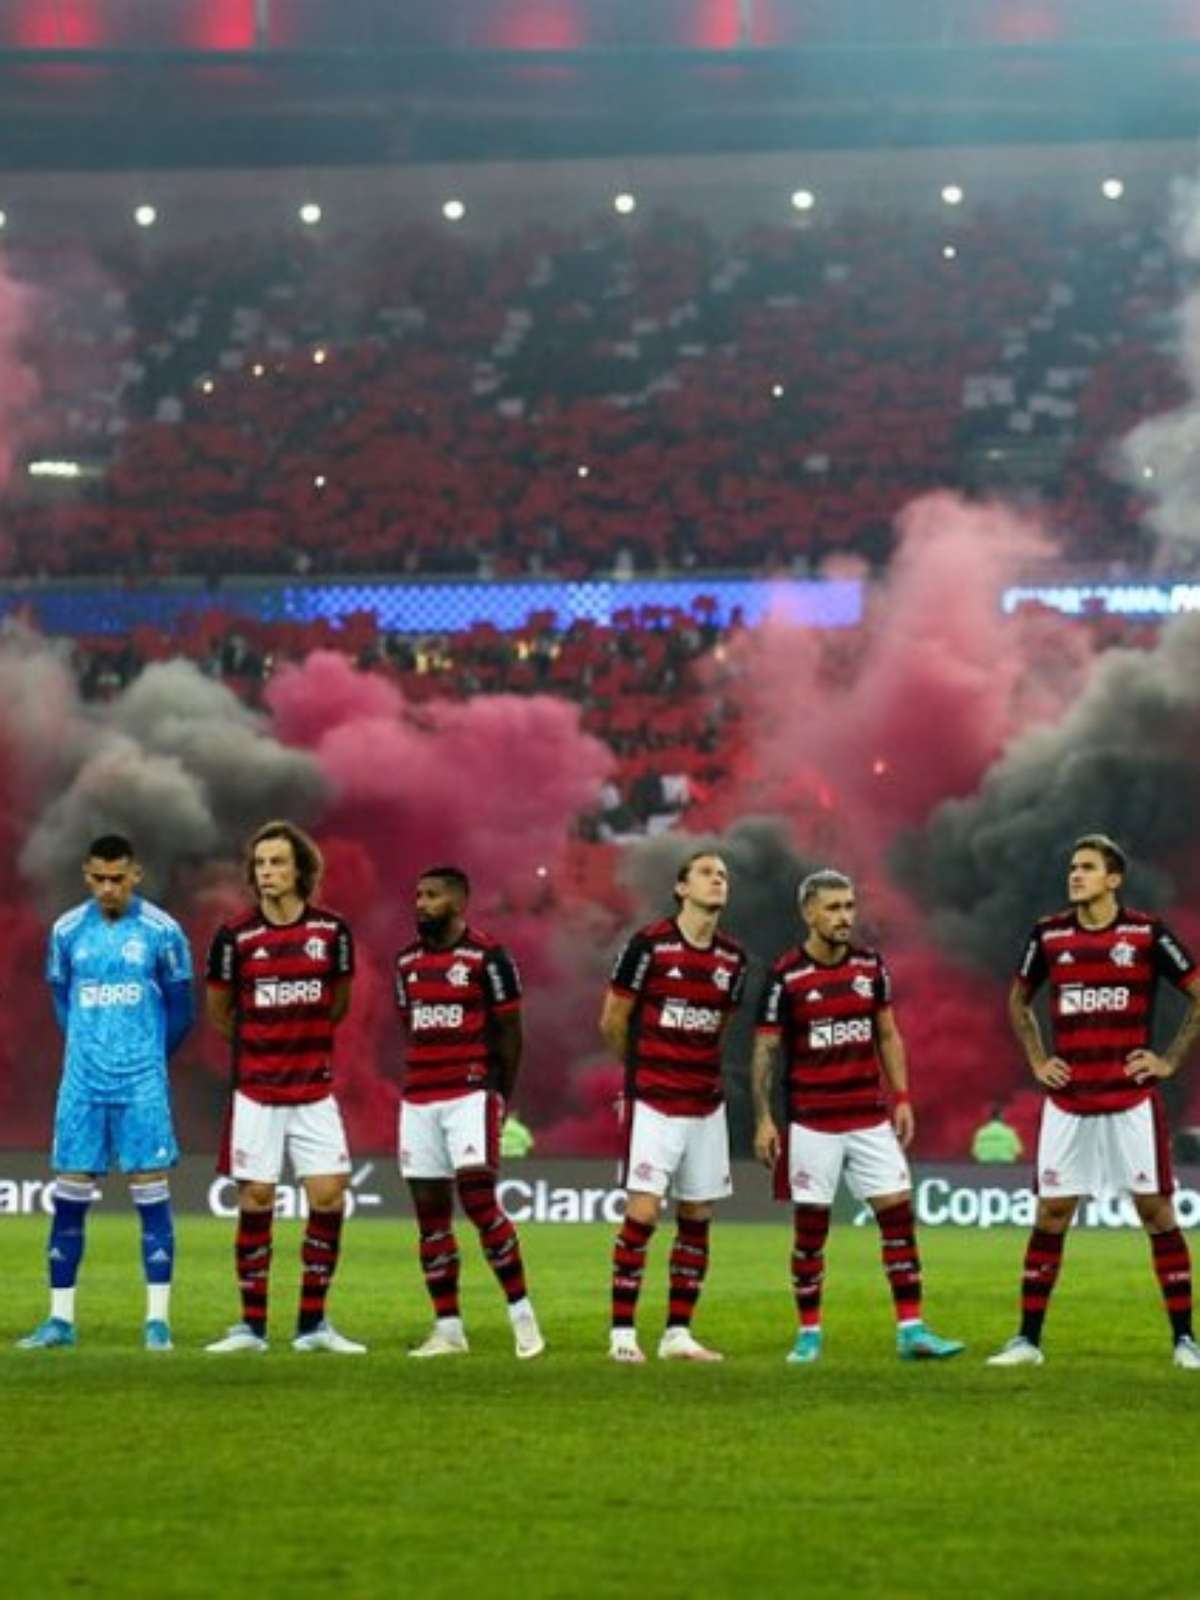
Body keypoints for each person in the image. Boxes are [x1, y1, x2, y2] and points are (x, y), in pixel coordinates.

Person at [988, 833, 1200, 1370]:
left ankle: (1184, 1341)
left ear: (1114, 878)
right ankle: (1027, 1342)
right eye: (1073, 867)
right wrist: (1038, 1060)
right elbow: (1018, 999)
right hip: (1069, 1100)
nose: (1075, 875)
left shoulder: (1147, 935)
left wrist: (1169, 1060)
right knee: (1052, 1212)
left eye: (1087, 867)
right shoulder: (1050, 935)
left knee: (1155, 1211)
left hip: (1131, 1099)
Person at [751, 869, 964, 1365]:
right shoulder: (786, 976)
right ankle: (808, 1335)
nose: (845, 917)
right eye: (833, 908)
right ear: (808, 913)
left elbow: (887, 1035)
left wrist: (903, 1096)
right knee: (811, 1228)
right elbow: (765, 1049)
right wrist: (764, 1119)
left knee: (897, 1216)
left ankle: (912, 1331)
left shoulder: (871, 967)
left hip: (869, 1118)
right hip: (812, 1122)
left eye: (849, 906)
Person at [18, 834, 194, 1351]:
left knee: (150, 1192)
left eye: (118, 878)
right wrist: (85, 1047)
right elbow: (60, 996)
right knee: (70, 1196)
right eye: (99, 878)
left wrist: (151, 1057)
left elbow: (182, 1008)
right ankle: (59, 1321)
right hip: (82, 1084)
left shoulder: (162, 931)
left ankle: (157, 1322)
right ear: (86, 875)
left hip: (141, 1082)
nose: (108, 888)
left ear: (136, 875)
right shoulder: (68, 931)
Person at [204, 820, 364, 1355]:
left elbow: (338, 1003)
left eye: (277, 863)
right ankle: (251, 1327)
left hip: (314, 1089)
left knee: (329, 1195)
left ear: (300, 870)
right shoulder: (235, 937)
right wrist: (264, 1049)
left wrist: (302, 1040)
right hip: (256, 1089)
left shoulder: (331, 933)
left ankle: (313, 1325)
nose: (267, 873)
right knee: (257, 1196)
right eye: (260, 864)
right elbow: (221, 1013)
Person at [600, 849, 747, 1363]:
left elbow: (720, 1027)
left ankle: (677, 1334)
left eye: (723, 875)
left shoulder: (733, 959)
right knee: (643, 1213)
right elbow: (613, 1020)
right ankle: (622, 1334)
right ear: (681, 888)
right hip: (655, 1100)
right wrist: (639, 1076)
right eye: (707, 873)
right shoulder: (649, 945)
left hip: (704, 1103)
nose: (717, 881)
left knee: (698, 1215)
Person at [395, 865, 545, 1359]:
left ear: (458, 903)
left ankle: (522, 1317)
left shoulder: (488, 956)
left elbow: (511, 1033)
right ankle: (448, 1328)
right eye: (417, 894)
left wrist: (500, 1095)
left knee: (480, 1202)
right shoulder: (407, 963)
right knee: (430, 1216)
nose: (420, 903)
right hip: (419, 1097)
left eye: (432, 896)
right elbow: (410, 1024)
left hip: (470, 1093)